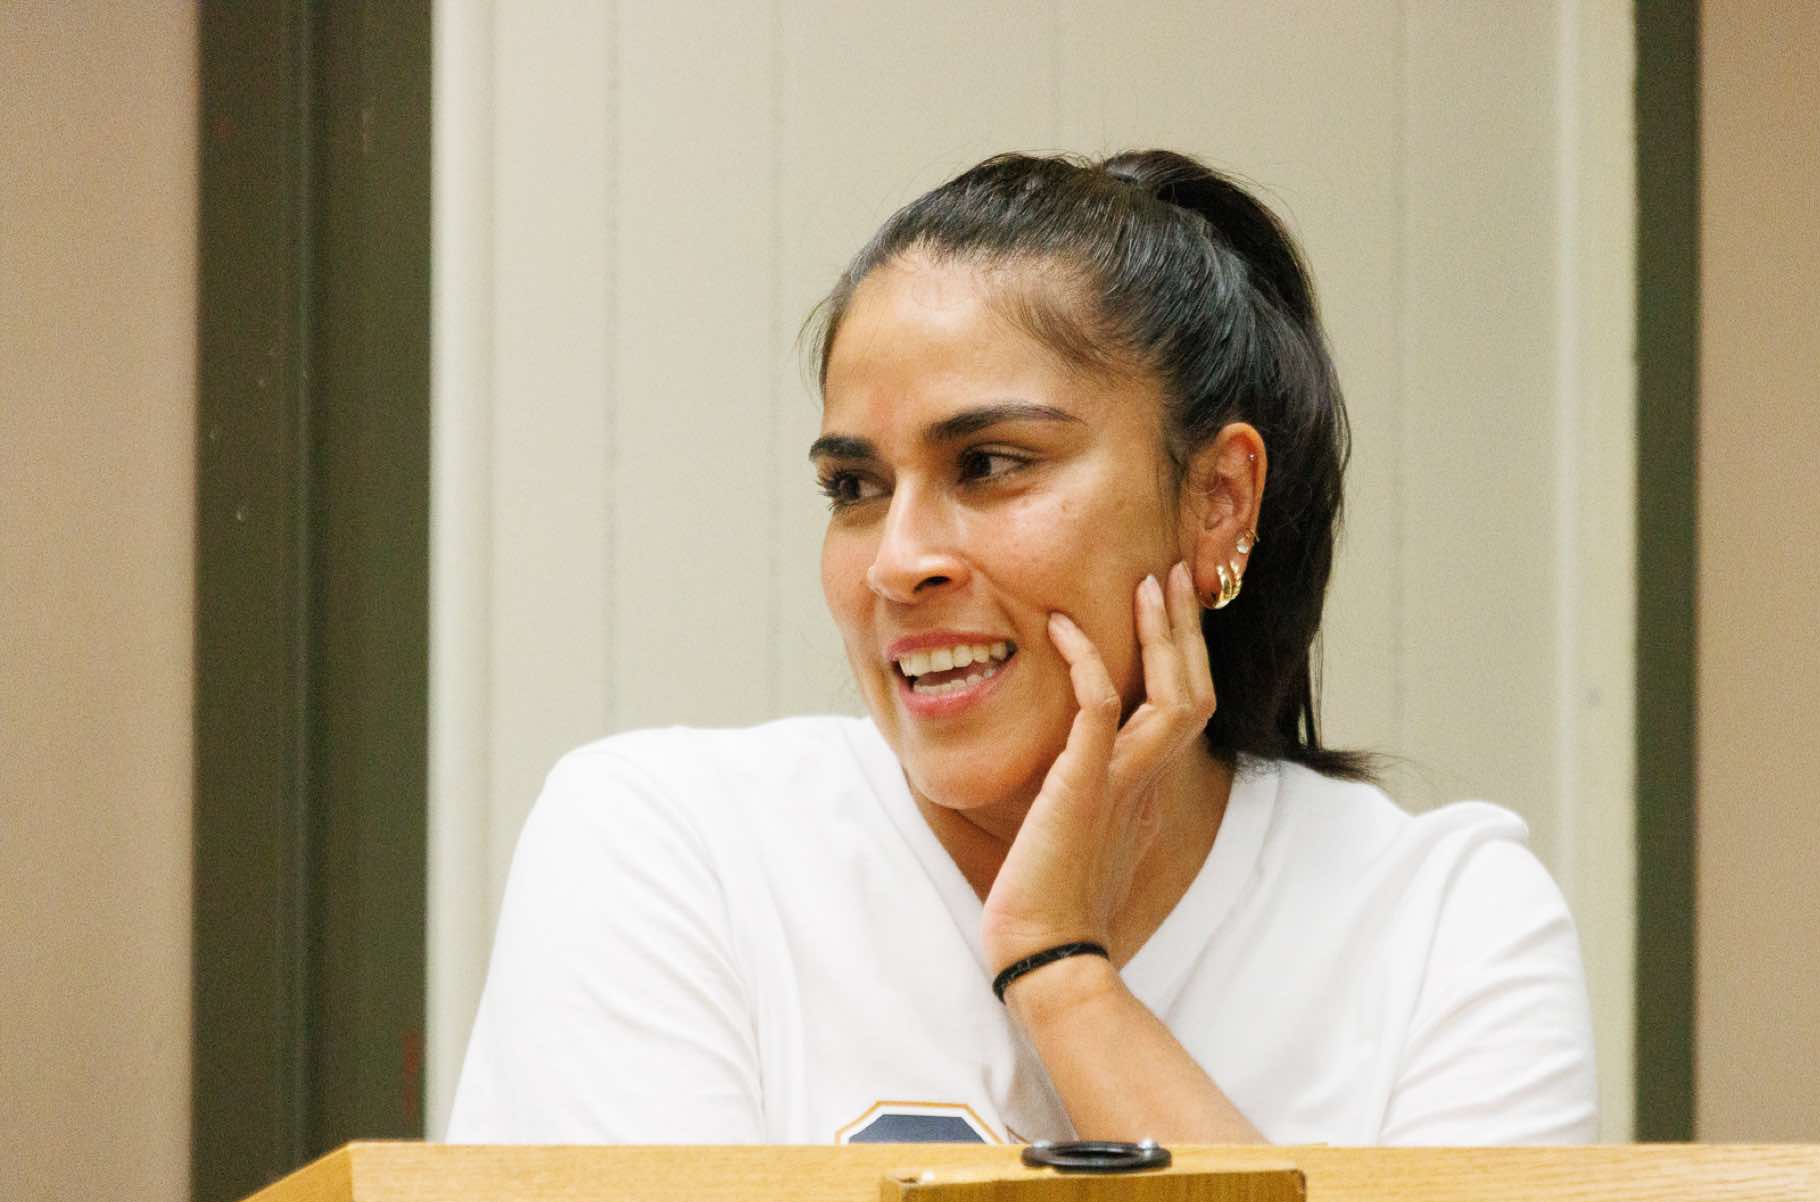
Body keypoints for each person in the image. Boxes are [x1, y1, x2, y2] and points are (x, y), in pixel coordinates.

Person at [447, 151, 1597, 1147]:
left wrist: (1059, 971)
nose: (897, 561)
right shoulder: (669, 849)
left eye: (990, 465)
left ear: (1216, 502)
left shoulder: (1442, 927)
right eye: (853, 488)